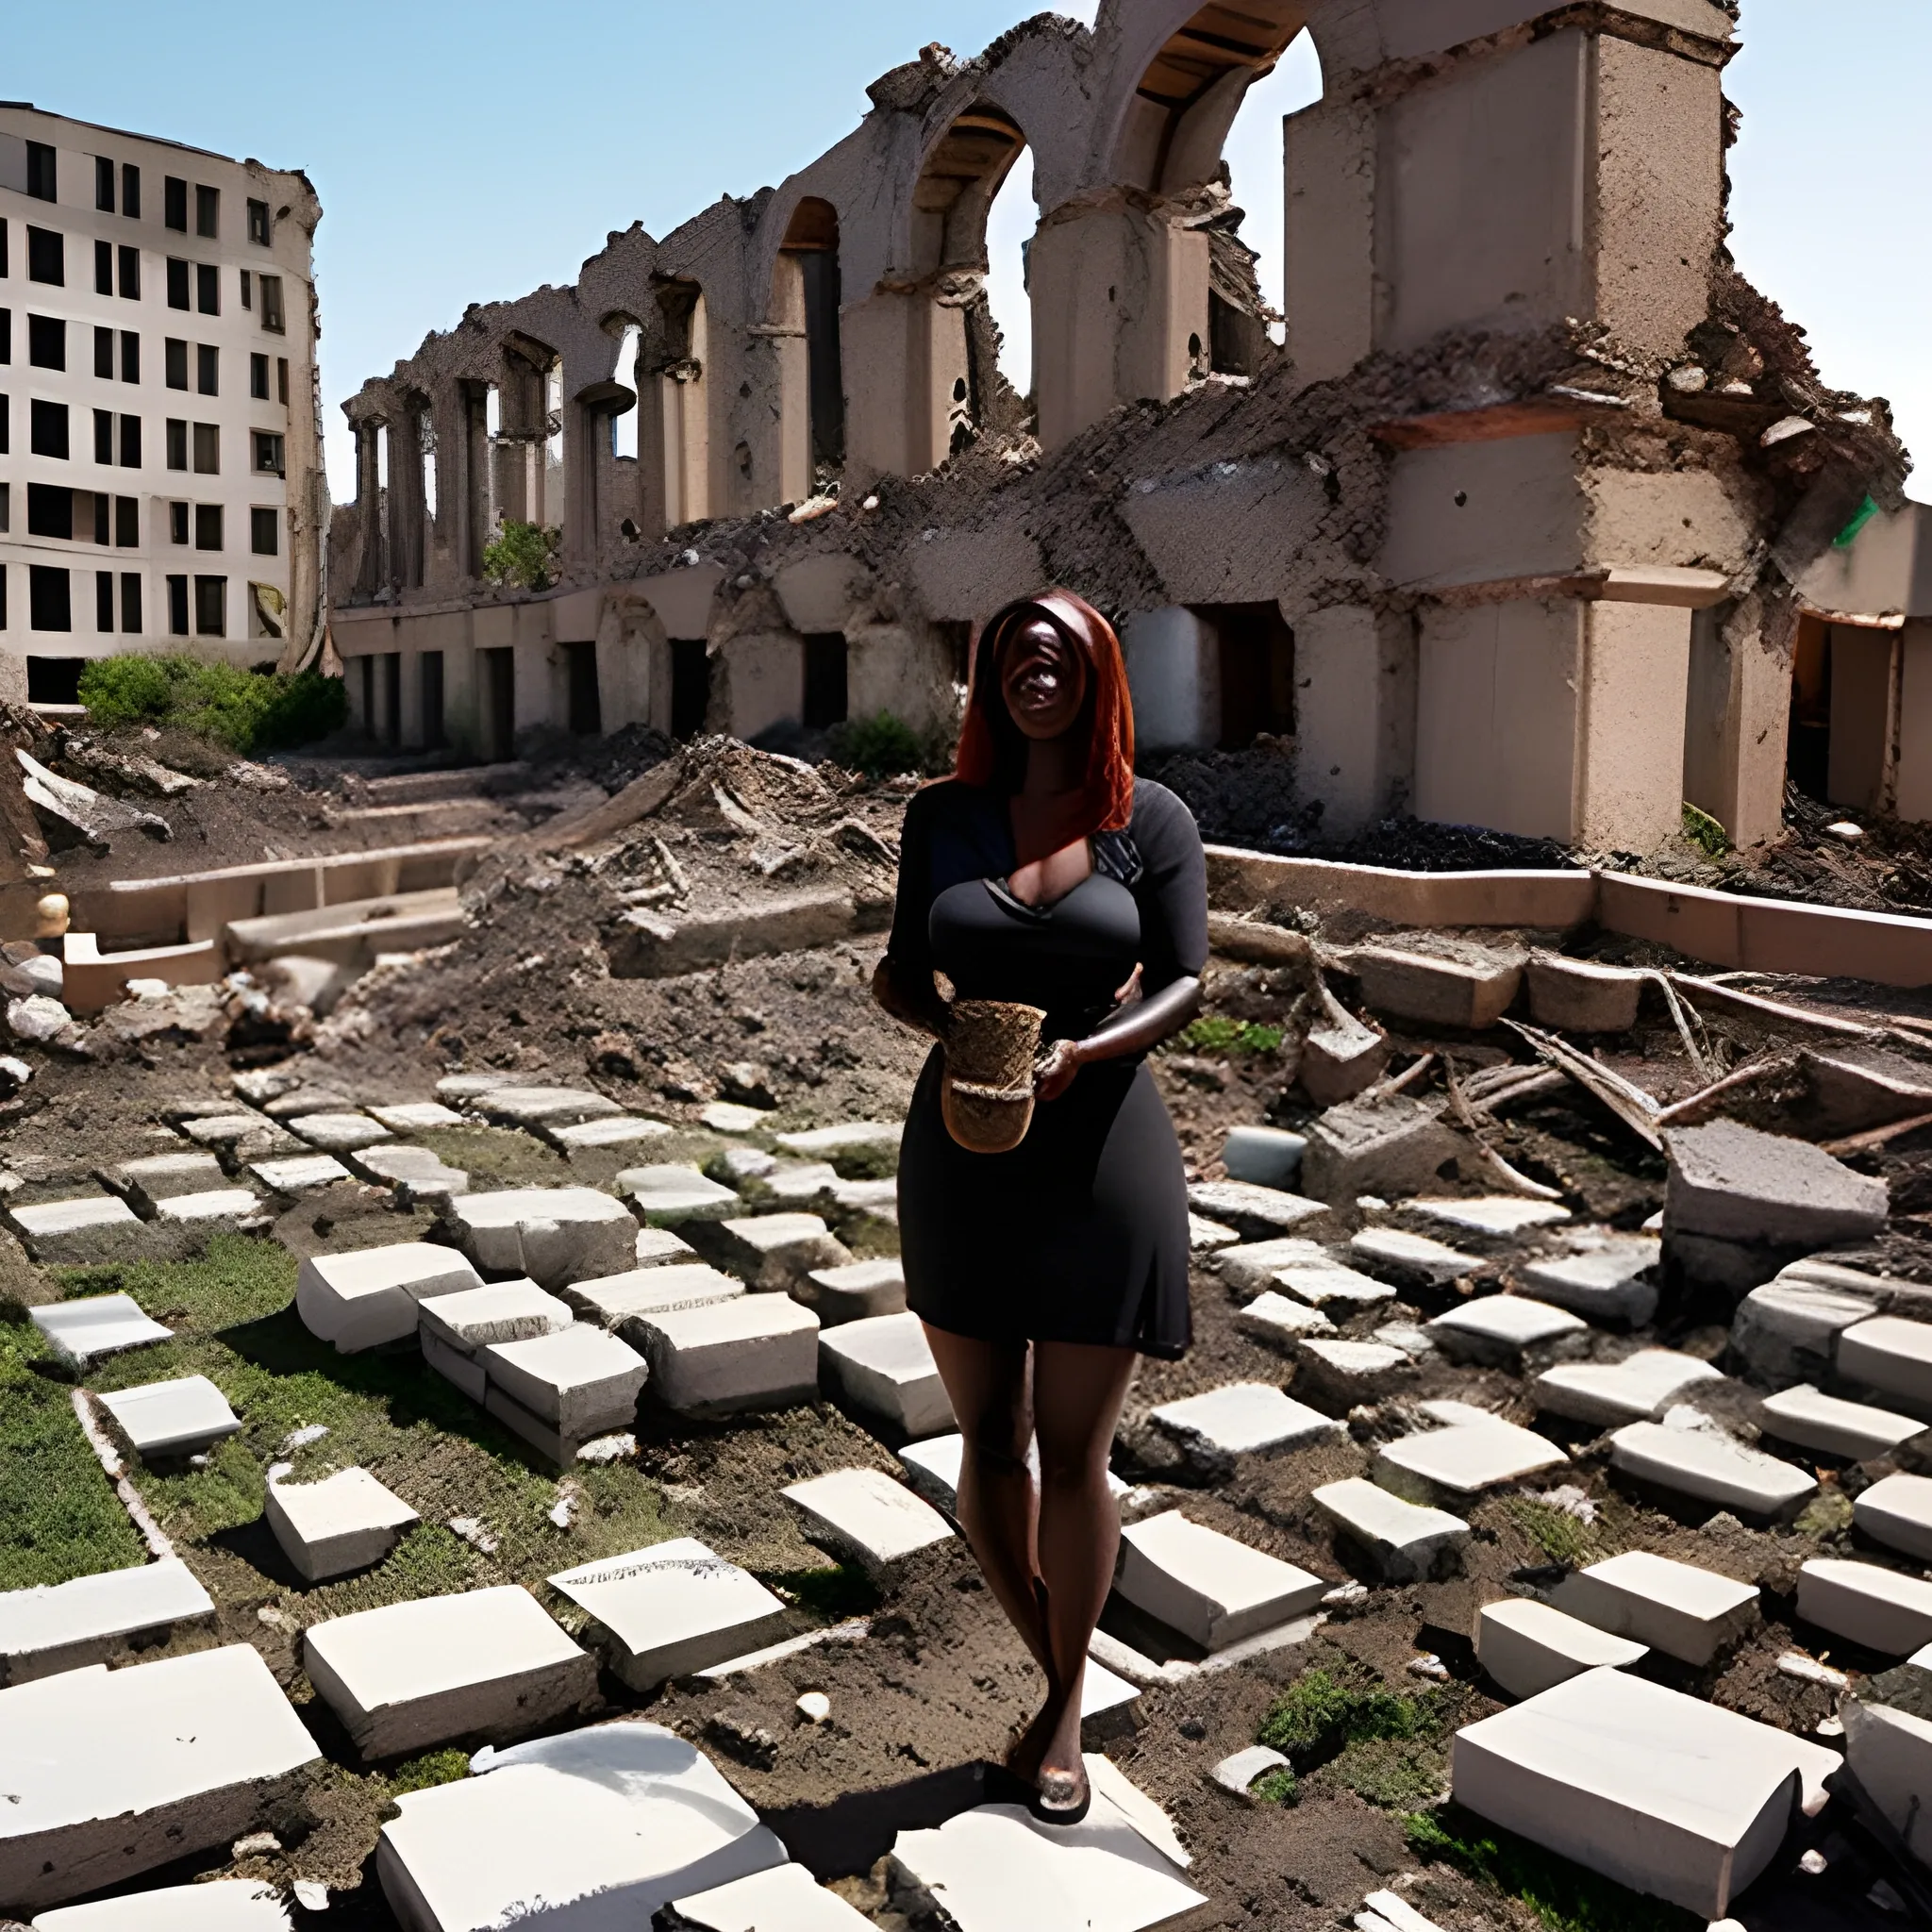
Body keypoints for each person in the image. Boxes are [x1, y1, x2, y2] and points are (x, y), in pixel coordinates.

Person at [873, 588, 1208, 1825]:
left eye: (1058, 656)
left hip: (1103, 1143)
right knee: (985, 1441)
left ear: (1098, 673)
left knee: (1076, 1454)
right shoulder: (940, 817)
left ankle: (1061, 1717)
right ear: (990, 678)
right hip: (963, 1141)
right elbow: (909, 966)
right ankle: (1055, 1663)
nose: (1036, 674)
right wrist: (939, 1020)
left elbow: (1182, 976)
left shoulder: (1150, 820)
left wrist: (1089, 1053)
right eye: (1015, 657)